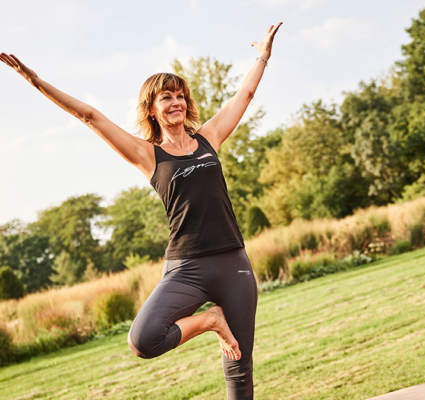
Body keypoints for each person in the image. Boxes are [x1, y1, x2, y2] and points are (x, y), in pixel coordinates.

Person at [1, 22, 282, 399]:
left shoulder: (208, 139)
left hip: (233, 262)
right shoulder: (148, 155)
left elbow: (244, 95)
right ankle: (210, 320)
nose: (176, 102)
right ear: (152, 108)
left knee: (239, 369)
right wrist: (36, 81)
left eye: (180, 95)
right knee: (144, 339)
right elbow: (90, 116)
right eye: (166, 97)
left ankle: (222, 330)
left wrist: (262, 55)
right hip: (187, 267)